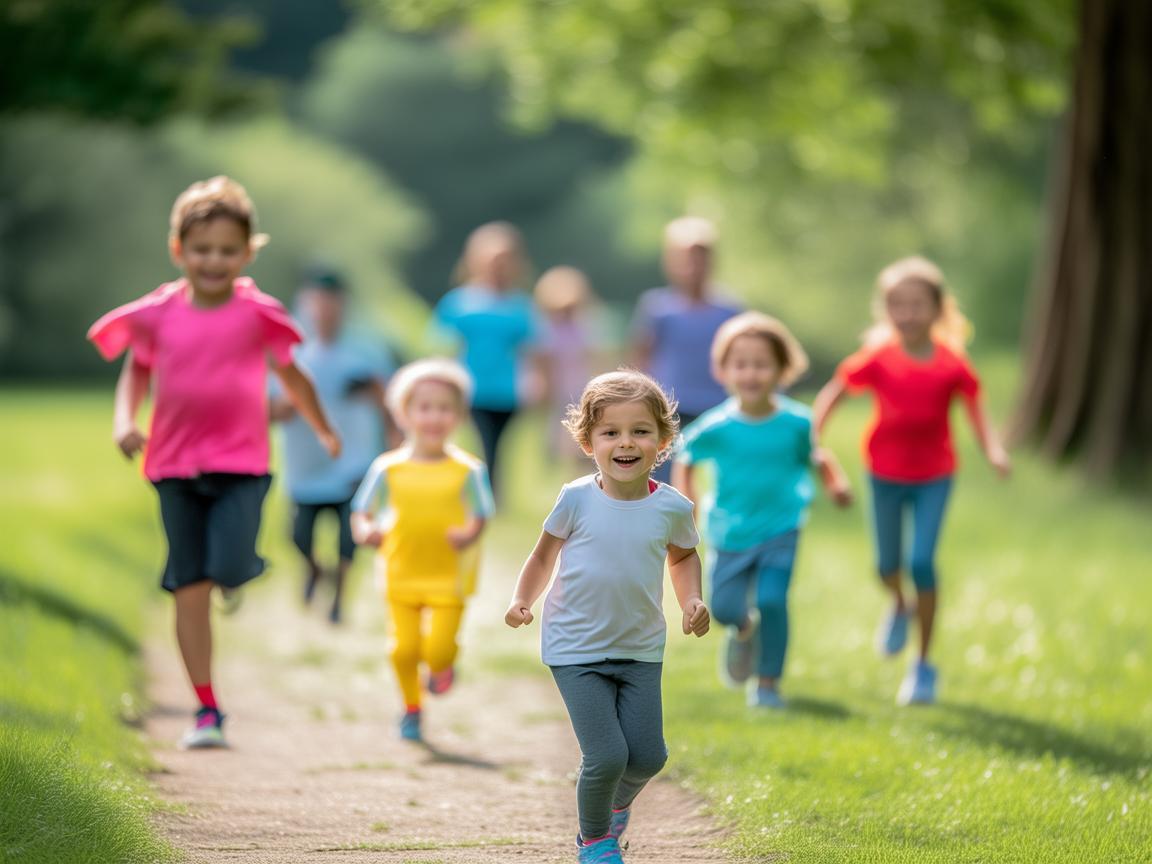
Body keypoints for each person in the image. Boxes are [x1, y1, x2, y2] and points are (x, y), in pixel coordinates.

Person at [87, 176, 340, 749]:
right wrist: (125, 420)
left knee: (226, 565)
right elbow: (137, 369)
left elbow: (292, 374)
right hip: (173, 465)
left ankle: (235, 571)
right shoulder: (158, 314)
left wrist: (322, 426)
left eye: (228, 250)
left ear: (248, 252)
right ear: (178, 250)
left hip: (240, 464)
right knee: (189, 586)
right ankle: (205, 707)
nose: (213, 261)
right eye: (202, 250)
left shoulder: (257, 314)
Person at [505, 370, 711, 864]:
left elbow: (682, 559)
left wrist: (691, 602)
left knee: (649, 757)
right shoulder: (576, 498)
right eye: (610, 432)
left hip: (640, 646)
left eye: (640, 431)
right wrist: (522, 600)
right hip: (575, 648)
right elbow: (542, 556)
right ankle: (594, 840)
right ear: (587, 440)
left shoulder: (673, 507)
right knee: (606, 756)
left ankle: (616, 803)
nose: (626, 443)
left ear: (663, 441)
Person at [812, 256, 1010, 706]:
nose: (907, 314)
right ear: (886, 311)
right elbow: (835, 391)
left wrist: (994, 451)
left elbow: (977, 408)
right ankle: (897, 603)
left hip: (934, 475)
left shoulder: (950, 362)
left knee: (921, 561)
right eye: (897, 305)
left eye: (917, 305)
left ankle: (922, 665)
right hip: (883, 472)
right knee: (886, 566)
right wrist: (814, 436)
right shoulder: (879, 357)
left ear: (938, 309)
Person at [672, 312, 852, 709]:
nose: (751, 374)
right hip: (729, 530)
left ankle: (768, 683)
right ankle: (744, 630)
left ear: (781, 370)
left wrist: (835, 482)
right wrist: (687, 501)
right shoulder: (717, 425)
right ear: (723, 370)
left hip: (782, 525)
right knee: (722, 609)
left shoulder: (797, 422)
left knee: (772, 600)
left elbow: (815, 456)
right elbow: (684, 456)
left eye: (761, 364)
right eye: (740, 364)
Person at [351, 358, 494, 743]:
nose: (434, 417)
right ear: (404, 413)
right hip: (401, 571)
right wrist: (365, 530)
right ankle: (412, 707)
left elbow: (482, 513)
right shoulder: (388, 467)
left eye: (445, 408)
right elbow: (361, 510)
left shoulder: (468, 469)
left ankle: (443, 667)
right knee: (402, 650)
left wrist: (468, 532)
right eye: (424, 407)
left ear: (459, 416)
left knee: (438, 649)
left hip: (449, 575)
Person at [270, 266, 397, 624]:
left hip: (353, 459)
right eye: (318, 302)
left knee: (348, 535)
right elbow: (269, 406)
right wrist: (292, 404)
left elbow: (390, 397)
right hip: (304, 461)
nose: (325, 311)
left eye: (333, 303)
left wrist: (384, 414)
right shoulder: (289, 350)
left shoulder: (367, 350)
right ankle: (312, 568)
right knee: (298, 535)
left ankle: (339, 598)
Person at [432, 222, 540, 500]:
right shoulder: (459, 303)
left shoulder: (520, 307)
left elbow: (533, 352)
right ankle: (473, 491)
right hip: (470, 387)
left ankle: (490, 494)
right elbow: (444, 346)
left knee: (498, 448)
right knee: (476, 444)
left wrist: (537, 382)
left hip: (507, 390)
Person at [630, 216, 742, 482]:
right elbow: (642, 356)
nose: (693, 267)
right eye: (684, 258)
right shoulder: (657, 308)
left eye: (700, 258)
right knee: (665, 476)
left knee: (726, 475)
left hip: (718, 404)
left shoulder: (728, 310)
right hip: (670, 406)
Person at [533, 266, 597, 470]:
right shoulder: (546, 329)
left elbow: (593, 355)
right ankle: (555, 458)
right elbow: (542, 359)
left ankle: (581, 457)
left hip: (580, 384)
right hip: (557, 384)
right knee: (555, 427)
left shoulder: (585, 326)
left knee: (582, 424)